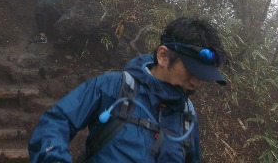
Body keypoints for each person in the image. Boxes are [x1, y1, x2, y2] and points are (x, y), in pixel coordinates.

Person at [28, 16, 229, 162]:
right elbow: (56, 121)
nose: (196, 82)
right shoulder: (113, 87)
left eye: (202, 75)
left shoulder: (187, 117)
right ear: (163, 56)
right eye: (191, 70)